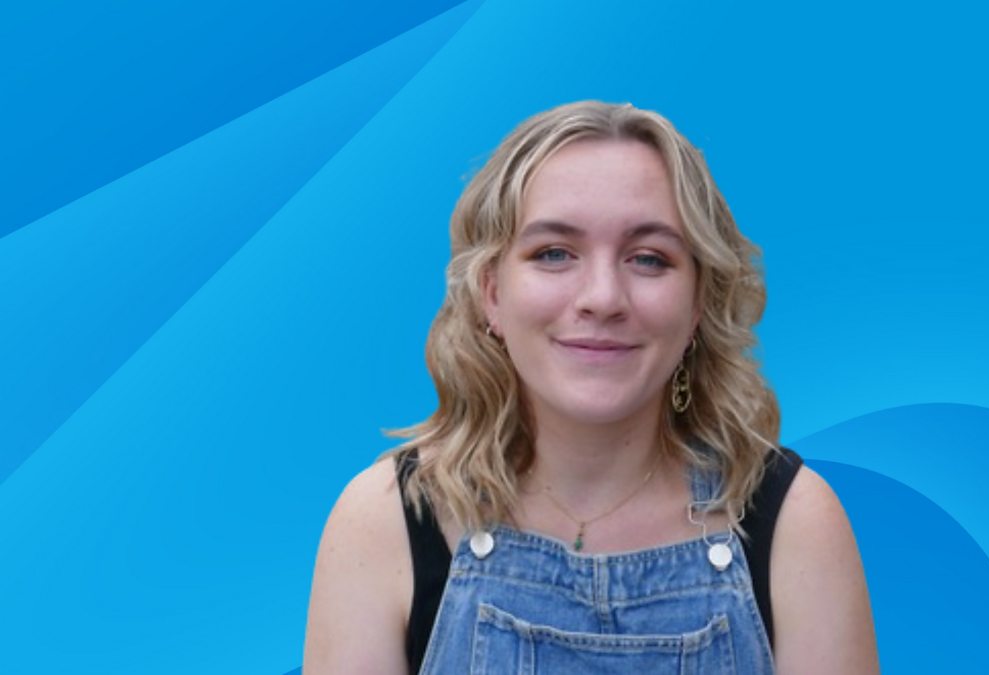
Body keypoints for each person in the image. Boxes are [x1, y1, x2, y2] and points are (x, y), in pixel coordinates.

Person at [304, 101, 878, 674]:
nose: (602, 298)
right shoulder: (385, 521)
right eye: (554, 254)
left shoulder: (796, 523)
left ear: (699, 303)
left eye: (648, 259)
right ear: (491, 294)